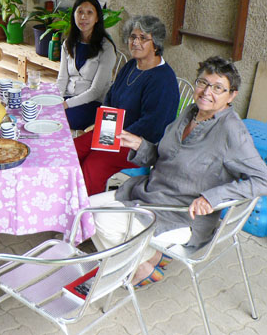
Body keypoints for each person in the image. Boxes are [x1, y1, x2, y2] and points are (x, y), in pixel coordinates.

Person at [90, 56, 267, 287]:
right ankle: (147, 258)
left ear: (231, 95)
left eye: (217, 87)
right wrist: (139, 145)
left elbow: (262, 179)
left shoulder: (232, 131)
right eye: (202, 83)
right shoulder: (191, 112)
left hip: (181, 213)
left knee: (99, 220)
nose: (206, 92)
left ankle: (141, 265)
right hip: (151, 193)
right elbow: (167, 157)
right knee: (87, 210)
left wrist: (212, 198)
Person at [74, 15, 179, 195]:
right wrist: (103, 124)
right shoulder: (131, 65)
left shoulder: (163, 80)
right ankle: (62, 198)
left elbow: (153, 126)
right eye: (132, 37)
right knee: (73, 149)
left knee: (93, 165)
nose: (136, 42)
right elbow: (111, 96)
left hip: (139, 145)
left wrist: (115, 136)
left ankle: (85, 214)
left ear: (156, 44)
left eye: (143, 38)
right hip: (112, 132)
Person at [58, 0, 117, 130]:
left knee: (58, 121)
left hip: (92, 104)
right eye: (80, 12)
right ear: (74, 15)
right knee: (43, 111)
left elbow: (96, 91)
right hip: (68, 98)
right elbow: (62, 79)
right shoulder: (68, 43)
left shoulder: (106, 48)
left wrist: (66, 104)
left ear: (97, 18)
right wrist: (57, 100)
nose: (83, 17)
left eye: (89, 12)